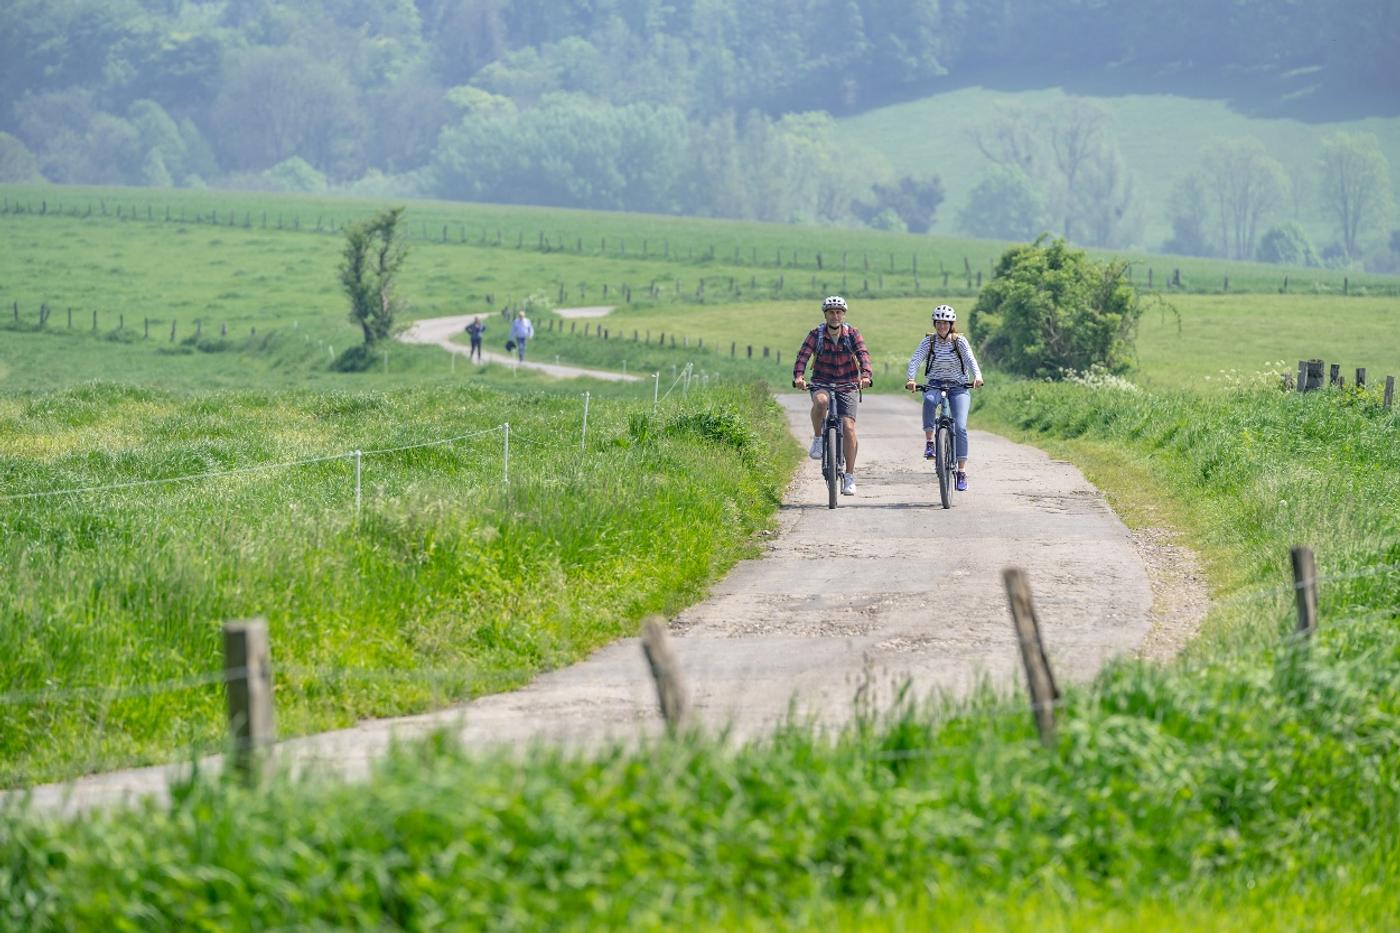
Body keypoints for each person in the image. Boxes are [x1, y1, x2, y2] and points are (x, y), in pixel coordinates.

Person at [792, 295, 873, 496]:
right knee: (821, 401)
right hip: (822, 381)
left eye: (838, 312)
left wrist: (866, 375)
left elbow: (863, 355)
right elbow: (803, 356)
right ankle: (819, 438)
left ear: (843, 315)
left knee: (848, 426)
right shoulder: (816, 334)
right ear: (825, 315)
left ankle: (850, 476)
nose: (835, 316)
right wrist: (799, 377)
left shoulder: (852, 334)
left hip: (848, 384)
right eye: (831, 312)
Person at [904, 304, 983, 491]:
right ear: (934, 324)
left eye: (945, 323)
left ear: (951, 324)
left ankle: (961, 471)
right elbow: (915, 359)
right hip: (935, 384)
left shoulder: (959, 341)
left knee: (961, 427)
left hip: (959, 387)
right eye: (938, 323)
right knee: (930, 401)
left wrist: (977, 377)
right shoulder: (928, 342)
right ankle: (930, 443)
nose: (941, 327)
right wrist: (911, 378)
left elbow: (971, 359)